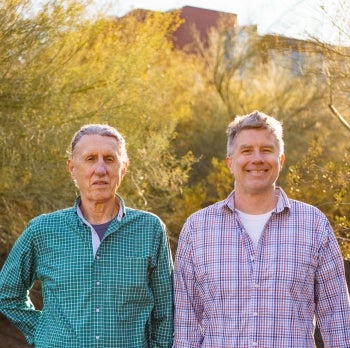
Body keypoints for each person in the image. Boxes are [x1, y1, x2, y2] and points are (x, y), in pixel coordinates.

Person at [173, 110, 350, 347]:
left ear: (281, 160)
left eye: (266, 150)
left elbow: (337, 318)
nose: (257, 159)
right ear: (230, 162)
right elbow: (186, 325)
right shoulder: (197, 229)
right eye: (246, 151)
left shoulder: (313, 224)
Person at [0, 124, 174, 347]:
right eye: (90, 158)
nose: (100, 170)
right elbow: (7, 293)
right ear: (72, 168)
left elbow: (166, 311)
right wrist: (44, 332)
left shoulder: (150, 229)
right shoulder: (42, 230)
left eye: (109, 159)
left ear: (124, 168)